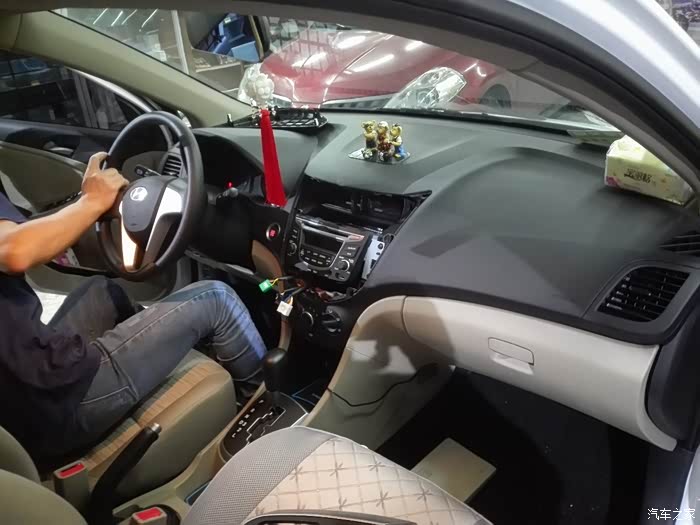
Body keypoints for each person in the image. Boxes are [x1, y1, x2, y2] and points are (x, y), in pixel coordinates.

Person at [0, 152, 266, 461]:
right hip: (50, 402)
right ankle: (263, 421)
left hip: (18, 397)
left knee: (101, 291)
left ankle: (161, 357)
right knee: (217, 300)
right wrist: (92, 202)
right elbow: (13, 250)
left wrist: (87, 206)